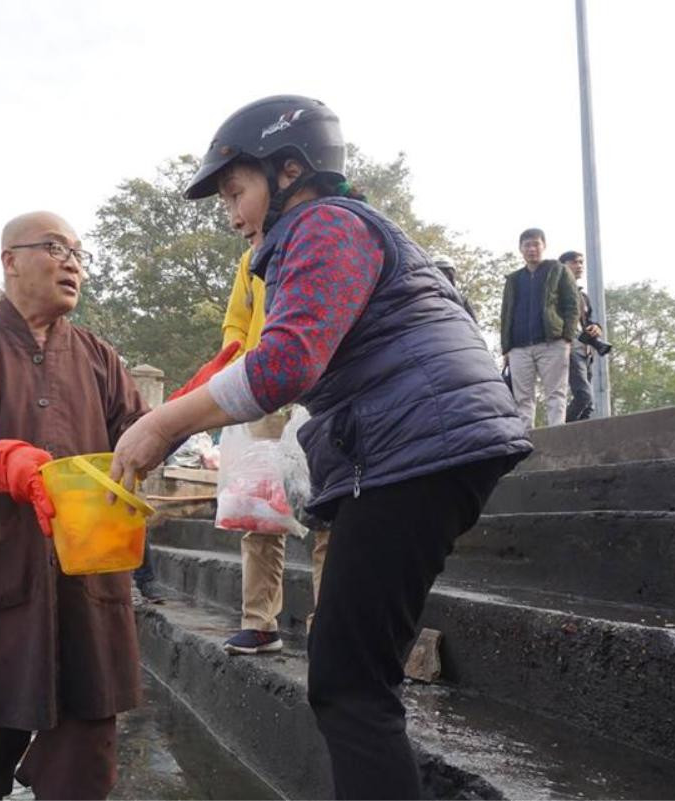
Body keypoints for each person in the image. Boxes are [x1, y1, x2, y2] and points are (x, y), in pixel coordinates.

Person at [108, 95, 532, 799]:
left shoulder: (325, 223)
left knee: (347, 682)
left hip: (415, 453)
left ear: (290, 170)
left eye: (236, 191)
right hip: (420, 449)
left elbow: (285, 363)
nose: (231, 214)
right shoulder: (331, 232)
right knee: (352, 672)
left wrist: (164, 422)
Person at [0, 211, 148, 800]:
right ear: (10, 260)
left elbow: (141, 440)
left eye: (80, 254)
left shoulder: (99, 358)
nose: (73, 262)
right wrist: (2, 461)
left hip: (85, 590)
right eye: (56, 247)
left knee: (85, 766)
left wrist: (190, 410)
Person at [214, 247, 330, 655]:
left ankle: (330, 627)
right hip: (264, 389)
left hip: (322, 391)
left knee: (327, 513)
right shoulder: (252, 258)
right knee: (258, 509)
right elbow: (236, 321)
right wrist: (240, 363)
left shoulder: (322, 239)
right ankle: (260, 623)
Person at [500, 228, 580, 428]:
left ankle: (557, 435)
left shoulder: (558, 270)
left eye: (536, 244)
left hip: (552, 342)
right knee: (522, 398)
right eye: (527, 245)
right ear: (520, 249)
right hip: (519, 346)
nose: (532, 249)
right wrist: (506, 347)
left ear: (544, 246)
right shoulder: (514, 279)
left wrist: (567, 338)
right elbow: (506, 313)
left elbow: (572, 305)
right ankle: (527, 441)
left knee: (555, 393)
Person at [559, 250, 604, 421]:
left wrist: (596, 328)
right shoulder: (555, 293)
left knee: (589, 406)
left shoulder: (583, 296)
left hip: (586, 351)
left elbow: (588, 321)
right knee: (584, 396)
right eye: (574, 262)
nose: (579, 266)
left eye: (581, 262)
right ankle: (559, 436)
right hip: (568, 348)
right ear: (563, 266)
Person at [433, 255, 478, 323]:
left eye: (446, 274)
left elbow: (474, 324)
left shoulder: (462, 300)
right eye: (439, 274)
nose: (443, 277)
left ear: (451, 276)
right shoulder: (422, 297)